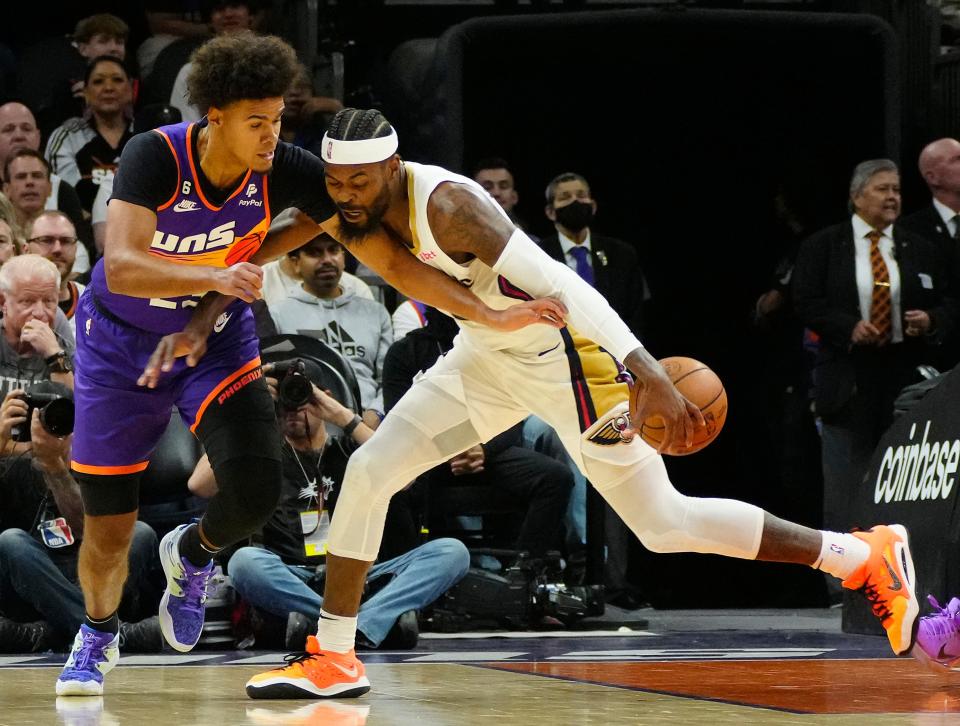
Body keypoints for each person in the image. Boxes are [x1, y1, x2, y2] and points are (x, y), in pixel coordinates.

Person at [236, 109, 922, 700]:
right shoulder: (349, 200)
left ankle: (859, 557)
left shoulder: (450, 206)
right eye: (337, 182)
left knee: (662, 523)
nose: (347, 196)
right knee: (373, 469)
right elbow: (290, 227)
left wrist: (645, 370)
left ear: (392, 166)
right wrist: (210, 276)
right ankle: (334, 654)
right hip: (486, 354)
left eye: (360, 181)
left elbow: (568, 285)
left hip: (567, 361)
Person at [57, 35, 558, 698]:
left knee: (258, 489)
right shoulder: (156, 155)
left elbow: (389, 259)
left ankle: (194, 555)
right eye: (256, 122)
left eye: (277, 120)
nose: (272, 134)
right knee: (110, 532)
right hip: (122, 344)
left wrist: (484, 313)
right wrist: (222, 268)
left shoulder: (285, 169)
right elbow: (120, 265)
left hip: (215, 337)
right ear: (214, 119)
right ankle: (98, 632)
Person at [190, 358, 469, 651]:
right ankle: (360, 625)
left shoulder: (351, 449)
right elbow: (199, 485)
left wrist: (343, 416)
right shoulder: (264, 454)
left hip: (358, 576)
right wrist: (249, 411)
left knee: (452, 552)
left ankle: (345, 624)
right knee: (244, 563)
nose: (293, 406)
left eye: (302, 395)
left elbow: (405, 479)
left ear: (324, 397)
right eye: (286, 397)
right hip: (291, 573)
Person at [792, 160, 956, 538]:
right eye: (882, 189)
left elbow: (951, 302)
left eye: (897, 190)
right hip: (847, 375)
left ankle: (900, 572)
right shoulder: (824, 245)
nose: (893, 197)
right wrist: (848, 327)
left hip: (903, 378)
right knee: (845, 479)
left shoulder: (920, 247)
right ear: (856, 196)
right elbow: (806, 300)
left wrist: (931, 320)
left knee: (902, 478)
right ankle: (843, 582)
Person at [383, 305, 572, 560]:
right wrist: (451, 445)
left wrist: (484, 449)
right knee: (397, 484)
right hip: (427, 456)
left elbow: (514, 415)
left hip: (484, 447)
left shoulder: (493, 347)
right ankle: (407, 573)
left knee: (555, 477)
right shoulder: (405, 352)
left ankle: (524, 572)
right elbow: (398, 421)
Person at [0, 378, 162, 654]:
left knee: (139, 534)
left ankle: (55, 631)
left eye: (62, 420)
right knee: (11, 541)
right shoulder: (14, 466)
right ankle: (111, 634)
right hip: (41, 580)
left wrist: (54, 468)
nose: (54, 429)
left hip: (98, 575)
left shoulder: (102, 464)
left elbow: (95, 533)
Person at [266, 233, 393, 427]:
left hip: (368, 422)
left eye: (334, 250)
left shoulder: (375, 312)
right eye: (314, 253)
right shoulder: (277, 314)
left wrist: (376, 412)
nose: (327, 259)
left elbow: (389, 378)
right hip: (305, 422)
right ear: (296, 263)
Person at [45, 56, 135, 214]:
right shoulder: (67, 137)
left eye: (117, 80)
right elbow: (66, 197)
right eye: (98, 81)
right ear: (85, 93)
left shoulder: (148, 134)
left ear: (130, 90)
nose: (108, 88)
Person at [24, 211, 85, 333]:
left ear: (76, 249)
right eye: (47, 240)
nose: (57, 249)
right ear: (26, 250)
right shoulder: (8, 302)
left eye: (66, 241)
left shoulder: (91, 303)